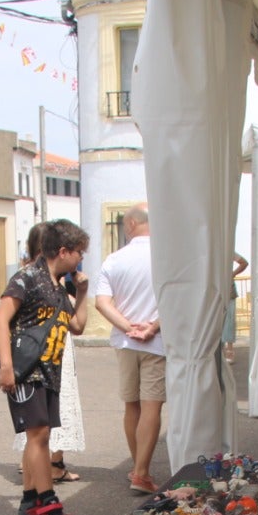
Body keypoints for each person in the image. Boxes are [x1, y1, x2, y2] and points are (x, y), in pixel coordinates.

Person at [0, 219, 91, 515]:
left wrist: (82, 291)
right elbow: (1, 319)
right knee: (38, 436)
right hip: (27, 371)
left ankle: (28, 501)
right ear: (63, 251)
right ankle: (49, 506)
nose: (81, 259)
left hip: (49, 370)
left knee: (40, 436)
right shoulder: (28, 278)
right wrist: (6, 366)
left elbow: (77, 326)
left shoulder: (57, 284)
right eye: (80, 253)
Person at [95, 203, 165, 494]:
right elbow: (176, 299)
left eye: (126, 224)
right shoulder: (166, 258)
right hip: (157, 342)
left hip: (125, 342)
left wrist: (127, 327)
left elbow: (102, 302)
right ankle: (141, 472)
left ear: (133, 223)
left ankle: (138, 468)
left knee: (131, 405)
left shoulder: (114, 259)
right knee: (152, 405)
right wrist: (152, 326)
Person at [222, 253, 249, 364]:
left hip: (227, 289)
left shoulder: (227, 249)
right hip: (220, 288)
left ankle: (229, 350)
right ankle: (226, 350)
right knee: (225, 320)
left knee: (228, 320)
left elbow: (244, 262)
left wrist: (232, 274)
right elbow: (244, 262)